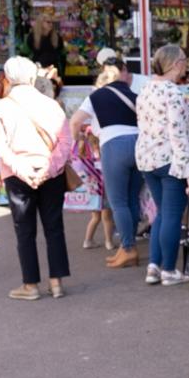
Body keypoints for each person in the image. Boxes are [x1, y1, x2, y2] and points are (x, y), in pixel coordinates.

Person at [0, 56, 74, 301]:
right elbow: (65, 142)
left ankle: (30, 285)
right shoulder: (51, 104)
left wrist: (22, 168)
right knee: (54, 227)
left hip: (18, 174)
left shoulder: (2, 107)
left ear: (8, 78)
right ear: (33, 77)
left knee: (24, 230)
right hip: (51, 172)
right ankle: (56, 283)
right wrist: (49, 167)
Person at [69, 51, 147, 267]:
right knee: (132, 199)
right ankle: (127, 247)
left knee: (117, 201)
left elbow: (75, 122)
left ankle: (128, 248)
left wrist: (78, 140)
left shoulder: (97, 96)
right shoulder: (135, 96)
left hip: (114, 146)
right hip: (139, 146)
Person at [136, 44, 189, 286]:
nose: (186, 63)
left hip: (147, 158)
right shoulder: (174, 93)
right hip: (171, 160)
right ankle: (169, 270)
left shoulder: (146, 91)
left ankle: (154, 265)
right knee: (172, 215)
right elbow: (178, 134)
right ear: (175, 64)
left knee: (162, 212)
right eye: (184, 59)